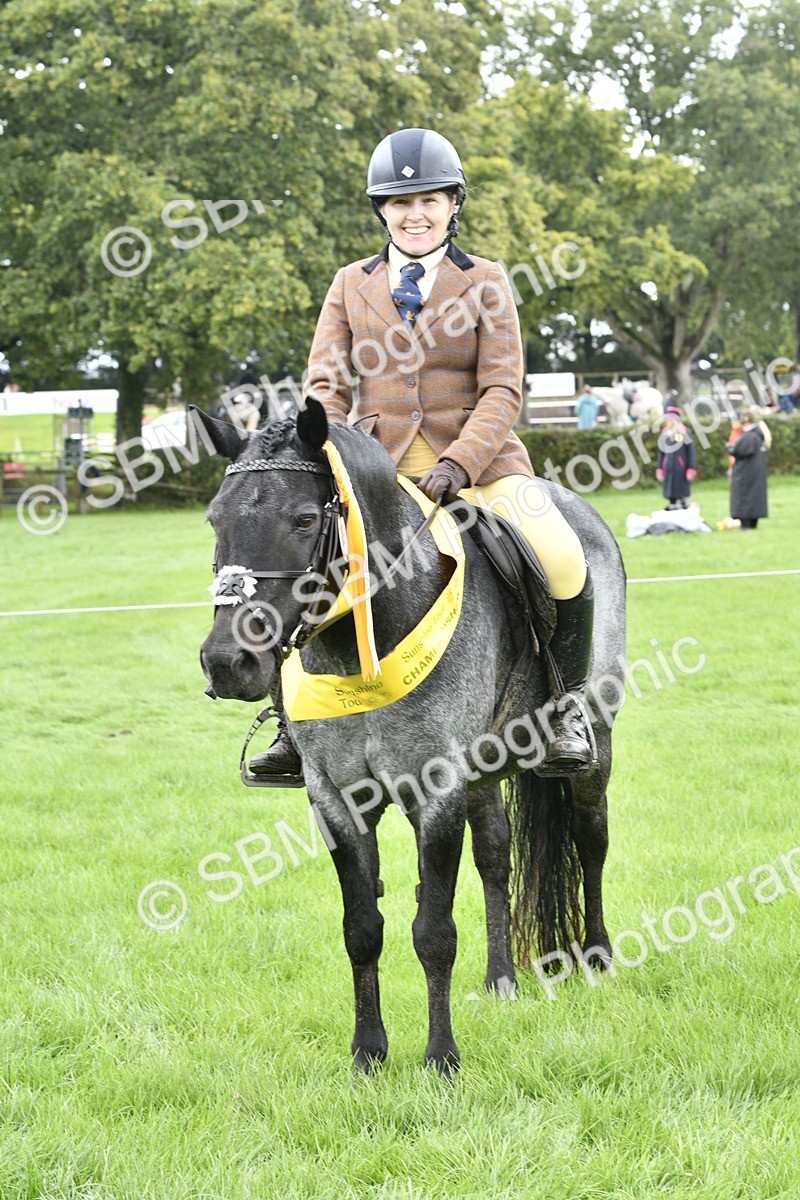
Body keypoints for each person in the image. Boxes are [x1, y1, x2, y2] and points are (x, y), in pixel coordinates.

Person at [251, 128, 596, 781]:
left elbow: (502, 387)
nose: (415, 214)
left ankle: (565, 708)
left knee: (560, 553)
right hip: (373, 469)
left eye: (429, 200)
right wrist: (332, 446)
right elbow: (325, 383)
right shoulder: (350, 285)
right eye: (400, 203)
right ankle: (292, 727)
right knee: (298, 556)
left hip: (480, 465)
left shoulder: (486, 280)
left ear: (453, 204)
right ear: (380, 210)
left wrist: (459, 463)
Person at [727, 409, 770, 529]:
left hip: (745, 474)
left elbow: (739, 451)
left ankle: (745, 522)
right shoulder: (757, 435)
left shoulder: (749, 435)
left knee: (745, 498)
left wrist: (730, 448)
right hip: (753, 473)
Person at [656, 405, 697, 509]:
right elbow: (661, 453)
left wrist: (691, 469)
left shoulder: (684, 432)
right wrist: (660, 468)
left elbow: (690, 451)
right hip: (668, 468)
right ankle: (672, 505)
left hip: (681, 468)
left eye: (670, 419)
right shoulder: (665, 433)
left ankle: (684, 505)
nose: (667, 421)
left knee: (682, 490)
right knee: (670, 490)